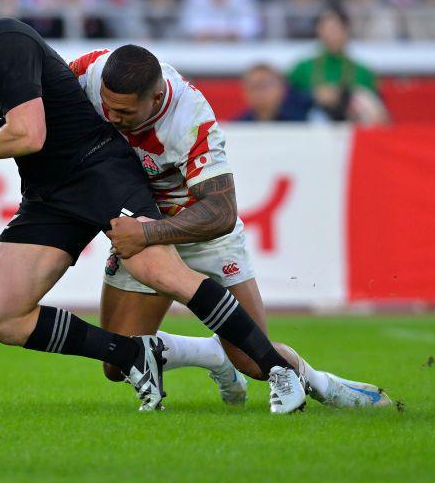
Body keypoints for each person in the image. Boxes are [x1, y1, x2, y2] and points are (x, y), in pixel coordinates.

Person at [0, 0, 306, 413]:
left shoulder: (4, 40)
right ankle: (131, 354)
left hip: (98, 172)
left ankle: (276, 369)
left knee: (163, 274)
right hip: (47, 191)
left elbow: (29, 135)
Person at [70, 44, 392, 409]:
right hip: (144, 226)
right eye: (106, 106)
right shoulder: (92, 71)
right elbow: (40, 95)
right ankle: (210, 354)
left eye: (124, 111)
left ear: (156, 96)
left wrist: (145, 233)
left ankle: (329, 386)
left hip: (198, 232)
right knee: (116, 362)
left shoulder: (190, 118)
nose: (110, 116)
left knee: (254, 360)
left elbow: (220, 212)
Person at [287, 7, 389, 125]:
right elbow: (288, 100)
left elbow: (377, 110)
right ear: (318, 31)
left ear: (346, 30)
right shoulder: (302, 68)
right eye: (326, 28)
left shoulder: (363, 71)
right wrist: (313, 95)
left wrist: (346, 96)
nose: (331, 34)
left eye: (336, 28)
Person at [238, 64, 312, 122]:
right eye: (253, 87)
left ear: (281, 89)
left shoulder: (302, 123)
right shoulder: (237, 127)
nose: (259, 92)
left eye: (264, 86)